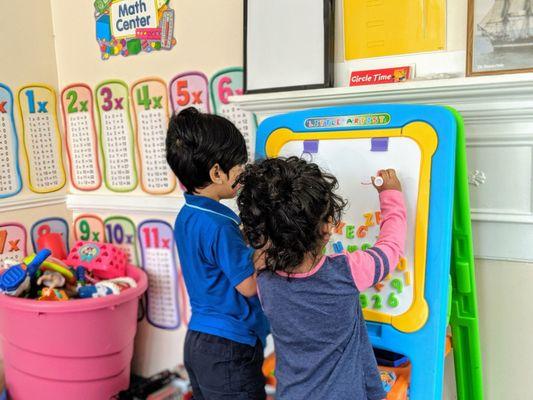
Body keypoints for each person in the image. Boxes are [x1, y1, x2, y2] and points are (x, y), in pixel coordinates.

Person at [237, 157, 407, 400]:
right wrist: (391, 195)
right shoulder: (347, 272)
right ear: (327, 229)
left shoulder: (263, 278)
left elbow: (263, 246)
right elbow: (390, 248)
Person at [166, 107, 269, 400]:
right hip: (230, 347)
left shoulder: (187, 215)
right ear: (216, 172)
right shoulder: (221, 224)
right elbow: (248, 285)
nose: (244, 170)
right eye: (239, 165)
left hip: (198, 341)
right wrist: (267, 246)